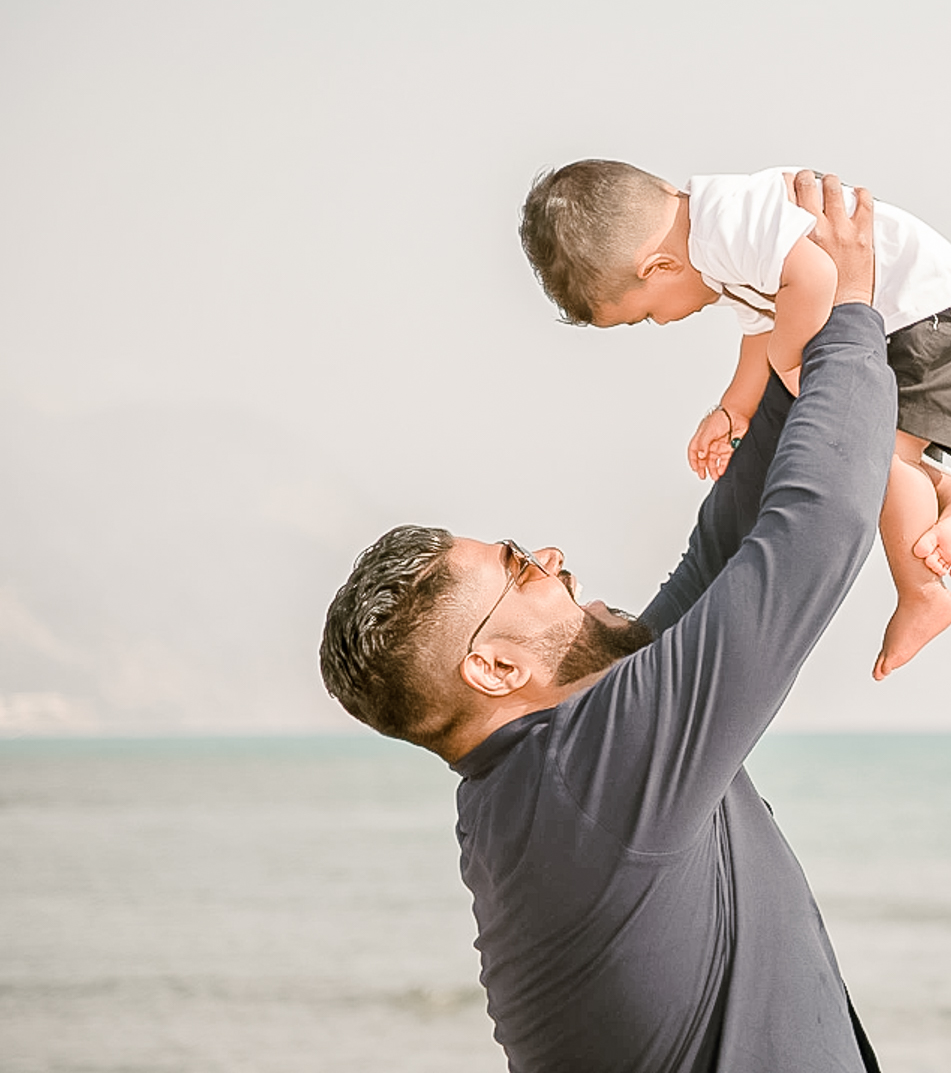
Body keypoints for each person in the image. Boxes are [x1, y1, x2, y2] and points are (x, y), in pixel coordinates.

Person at [319, 172, 892, 1073]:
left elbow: (719, 562)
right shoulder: (593, 771)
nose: (551, 557)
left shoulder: (536, 781)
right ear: (495, 669)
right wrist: (851, 313)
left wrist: (789, 337)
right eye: (519, 567)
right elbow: (811, 538)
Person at [518, 161, 951, 679]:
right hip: (921, 320)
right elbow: (762, 329)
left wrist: (789, 359)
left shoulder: (726, 225)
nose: (659, 321)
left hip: (938, 319)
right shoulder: (718, 241)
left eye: (645, 314)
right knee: (877, 454)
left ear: (658, 267)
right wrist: (733, 409)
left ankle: (924, 592)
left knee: (885, 460)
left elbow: (814, 277)